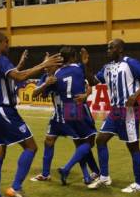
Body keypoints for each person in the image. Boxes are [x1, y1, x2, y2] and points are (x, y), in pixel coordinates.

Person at [0, 32, 62, 197]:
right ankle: (15, 187)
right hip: (5, 111)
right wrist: (44, 64)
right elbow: (19, 77)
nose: (8, 45)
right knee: (31, 147)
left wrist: (20, 64)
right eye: (6, 42)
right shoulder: (0, 59)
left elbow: (9, 77)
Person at [86, 39, 140, 193]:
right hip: (114, 111)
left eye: (111, 48)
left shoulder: (130, 63)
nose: (108, 50)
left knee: (133, 146)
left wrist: (136, 95)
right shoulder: (107, 67)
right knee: (100, 139)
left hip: (129, 111)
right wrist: (86, 64)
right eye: (107, 48)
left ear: (120, 49)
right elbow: (92, 81)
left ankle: (139, 184)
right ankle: (104, 177)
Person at [30, 52, 99, 184]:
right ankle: (45, 174)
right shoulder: (47, 77)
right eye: (44, 65)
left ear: (56, 64)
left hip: (72, 112)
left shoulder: (68, 72)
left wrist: (86, 95)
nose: (45, 67)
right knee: (49, 141)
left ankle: (90, 173)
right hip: (58, 115)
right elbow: (35, 93)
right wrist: (46, 84)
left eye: (48, 65)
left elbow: (89, 84)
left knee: (81, 143)